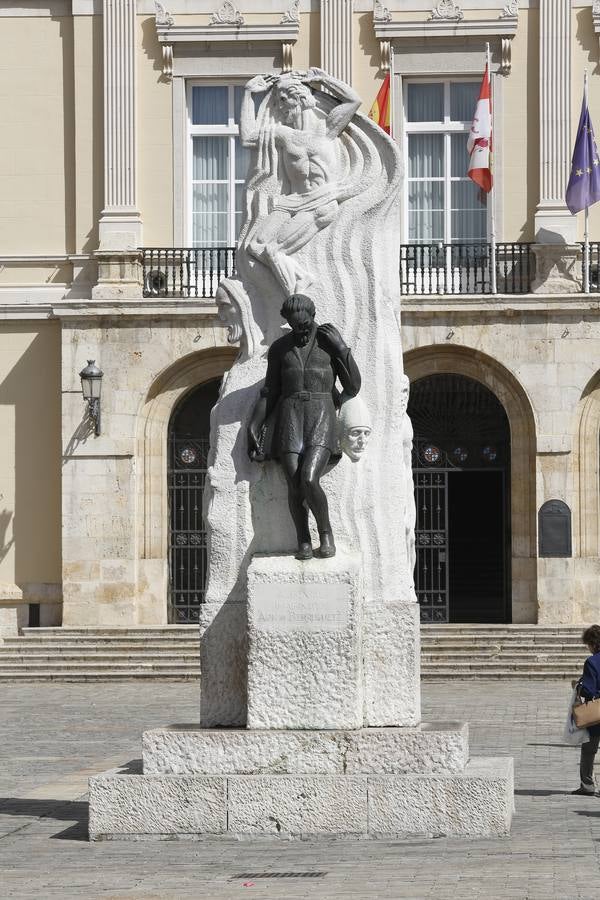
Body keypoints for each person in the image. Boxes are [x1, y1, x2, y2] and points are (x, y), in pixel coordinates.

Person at [247, 293, 361, 560]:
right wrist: (254, 426)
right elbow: (270, 391)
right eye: (296, 325)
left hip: (321, 415)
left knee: (309, 478)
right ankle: (303, 540)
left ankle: (325, 533)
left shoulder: (327, 344)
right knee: (294, 482)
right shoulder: (280, 349)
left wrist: (342, 349)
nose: (302, 330)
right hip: (289, 417)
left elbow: (353, 386)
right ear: (288, 322)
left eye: (306, 324)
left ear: (312, 316)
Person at [573, 624, 600, 796]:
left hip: (597, 712)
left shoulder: (592, 662)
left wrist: (578, 687)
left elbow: (589, 690)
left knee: (589, 750)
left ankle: (588, 785)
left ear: (593, 643)